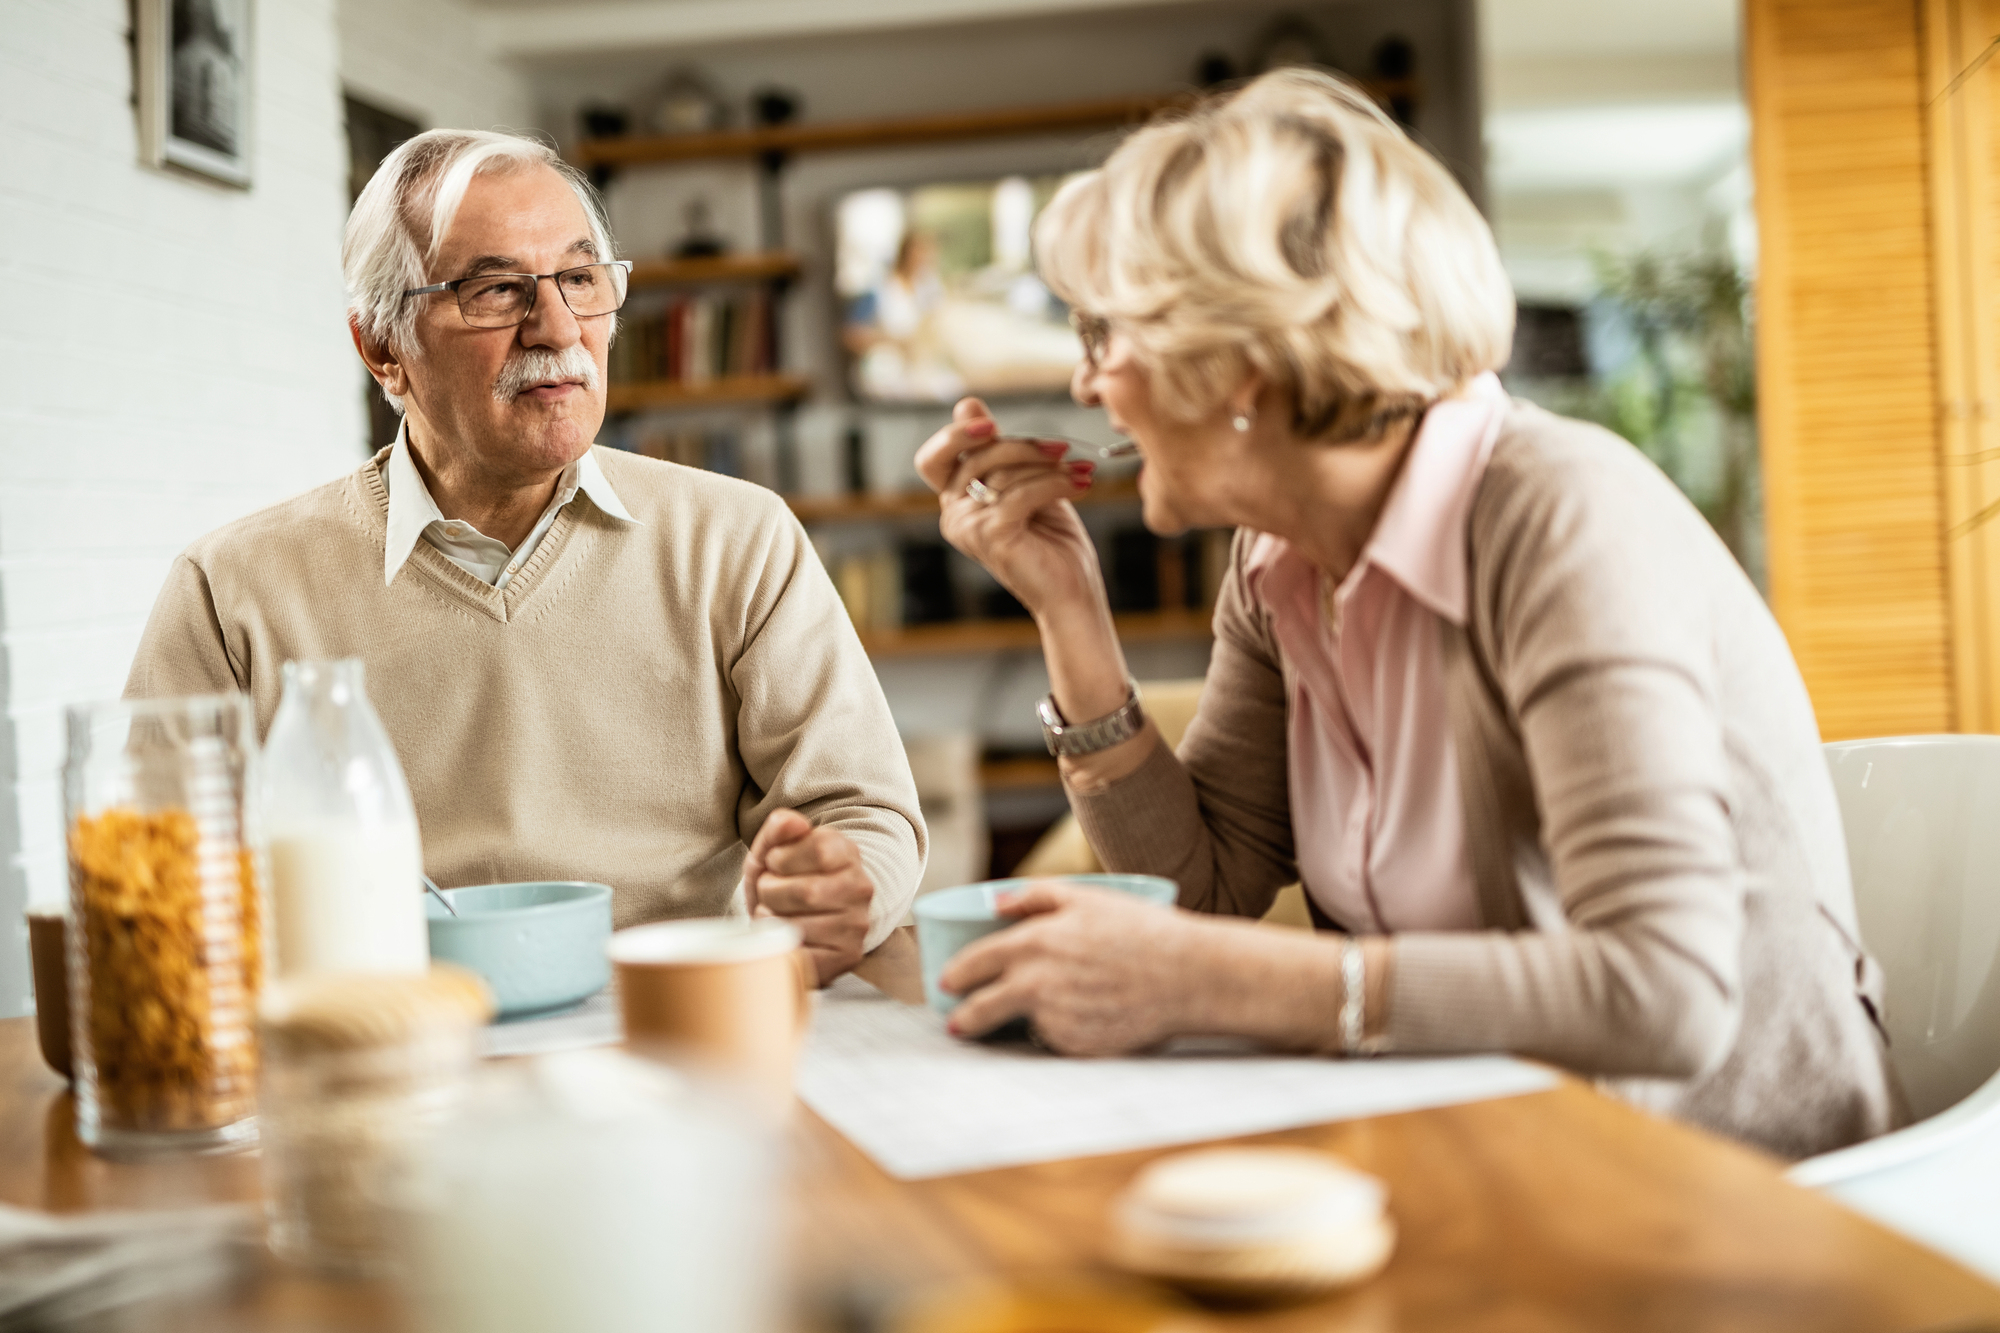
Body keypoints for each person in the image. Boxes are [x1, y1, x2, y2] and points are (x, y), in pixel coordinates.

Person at [915, 69, 1901, 1158]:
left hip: (1731, 1189)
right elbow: (1205, 889)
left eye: (1104, 334)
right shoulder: (1278, 561)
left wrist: (1222, 983)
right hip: (1483, 1145)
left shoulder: (1562, 516)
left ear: (1239, 359)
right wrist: (1069, 612)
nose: (1086, 381)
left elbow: (1658, 992)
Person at [126, 129, 925, 984]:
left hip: (676, 1027)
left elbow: (859, 808)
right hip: (384, 1043)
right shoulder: (232, 590)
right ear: (381, 349)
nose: (558, 327)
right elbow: (157, 884)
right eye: (496, 290)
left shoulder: (738, 538)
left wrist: (842, 886)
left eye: (580, 280)